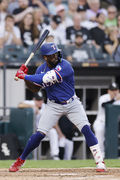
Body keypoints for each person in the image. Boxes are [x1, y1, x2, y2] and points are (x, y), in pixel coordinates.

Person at [9, 42, 106, 172]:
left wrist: (24, 75)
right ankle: (20, 161)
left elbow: (47, 78)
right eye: (51, 55)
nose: (55, 56)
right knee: (39, 134)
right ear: (45, 57)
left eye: (55, 53)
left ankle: (100, 161)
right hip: (53, 105)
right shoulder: (41, 69)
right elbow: (35, 88)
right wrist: (26, 79)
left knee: (86, 129)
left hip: (72, 103)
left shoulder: (65, 65)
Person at [93, 82, 120, 158]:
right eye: (112, 90)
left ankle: (113, 155)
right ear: (109, 91)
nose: (114, 92)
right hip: (101, 122)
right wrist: (115, 99)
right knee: (99, 137)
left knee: (113, 140)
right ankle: (100, 156)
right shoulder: (103, 97)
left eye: (116, 90)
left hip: (113, 124)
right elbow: (104, 105)